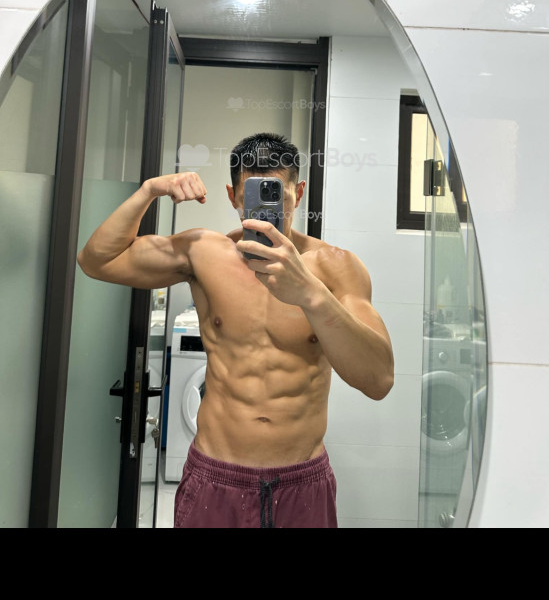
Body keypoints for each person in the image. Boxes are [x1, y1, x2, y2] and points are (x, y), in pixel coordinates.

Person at [77, 133, 394, 528]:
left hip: (302, 483)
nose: (266, 211)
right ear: (233, 196)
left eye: (279, 196)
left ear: (299, 192)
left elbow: (378, 380)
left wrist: (310, 294)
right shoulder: (203, 253)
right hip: (215, 477)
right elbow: (96, 261)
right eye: (252, 197)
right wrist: (148, 192)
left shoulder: (336, 267)